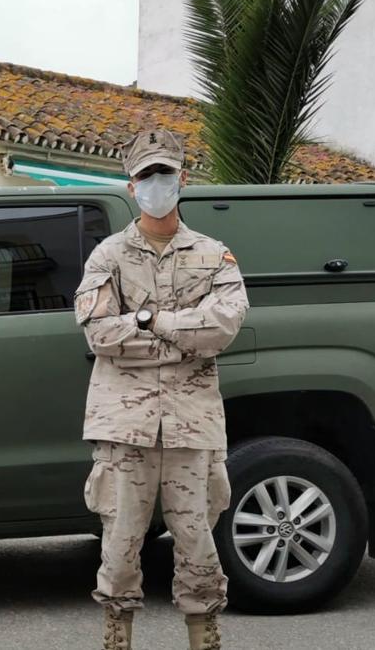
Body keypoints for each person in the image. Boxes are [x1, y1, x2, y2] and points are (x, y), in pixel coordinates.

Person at [73, 129, 249, 650]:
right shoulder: (107, 255)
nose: (156, 184)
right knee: (121, 540)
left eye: (165, 174)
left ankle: (203, 631)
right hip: (123, 424)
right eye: (146, 175)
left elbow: (223, 327)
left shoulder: (215, 256)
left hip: (192, 422)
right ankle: (117, 633)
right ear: (132, 186)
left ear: (182, 180)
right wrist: (179, 331)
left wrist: (146, 320)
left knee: (197, 538)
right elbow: (99, 333)